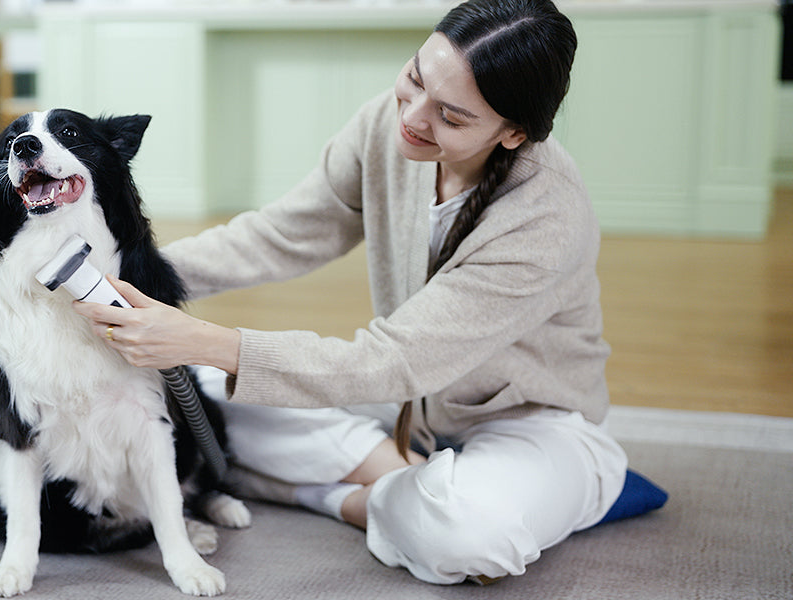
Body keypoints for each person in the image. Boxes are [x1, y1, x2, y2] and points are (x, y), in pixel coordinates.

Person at [72, 0, 628, 586]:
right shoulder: (390, 127)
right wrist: (124, 278)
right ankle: (395, 468)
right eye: (414, 77)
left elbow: (398, 358)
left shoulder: (547, 216)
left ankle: (348, 495)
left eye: (451, 116)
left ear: (513, 133)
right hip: (408, 410)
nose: (412, 116)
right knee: (185, 396)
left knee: (466, 534)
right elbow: (282, 234)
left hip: (529, 423)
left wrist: (206, 338)